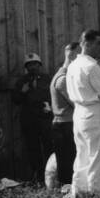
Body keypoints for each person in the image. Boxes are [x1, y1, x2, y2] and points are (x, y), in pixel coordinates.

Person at [65, 29, 100, 193]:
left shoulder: (72, 66)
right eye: (98, 43)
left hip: (79, 114)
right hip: (95, 114)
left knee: (82, 159)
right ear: (86, 44)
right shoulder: (91, 66)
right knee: (99, 160)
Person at [10, 53, 53, 182]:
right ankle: (37, 176)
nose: (32, 67)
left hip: (45, 119)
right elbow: (15, 100)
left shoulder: (47, 79)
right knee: (33, 149)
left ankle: (51, 175)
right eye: (29, 65)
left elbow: (54, 96)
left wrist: (49, 106)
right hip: (29, 121)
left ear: (39, 65)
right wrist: (22, 92)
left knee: (48, 147)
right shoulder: (22, 81)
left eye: (35, 64)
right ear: (26, 67)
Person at [49, 43, 78, 188]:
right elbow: (77, 103)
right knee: (67, 169)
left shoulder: (64, 76)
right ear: (72, 56)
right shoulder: (63, 79)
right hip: (65, 127)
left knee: (70, 167)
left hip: (66, 126)